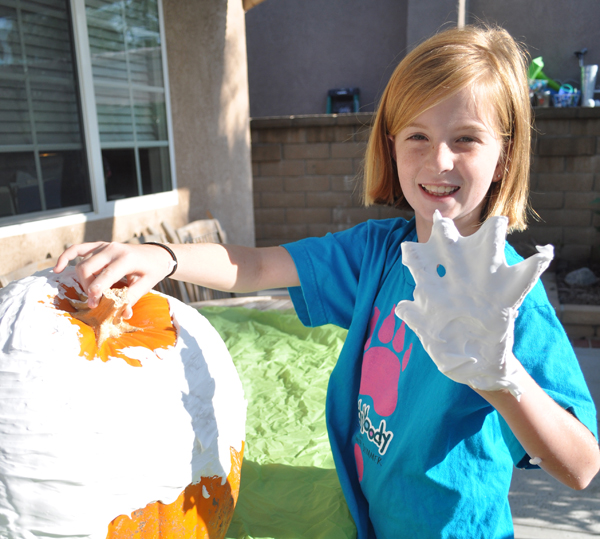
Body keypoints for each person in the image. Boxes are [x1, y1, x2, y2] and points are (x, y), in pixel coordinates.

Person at [55, 24, 599, 539]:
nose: (438, 159)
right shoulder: (379, 252)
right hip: (369, 517)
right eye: (417, 135)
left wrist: (503, 380)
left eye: (466, 138)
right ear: (390, 145)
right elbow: (259, 265)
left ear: (504, 155)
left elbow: (580, 467)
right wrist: (161, 256)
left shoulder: (508, 294)